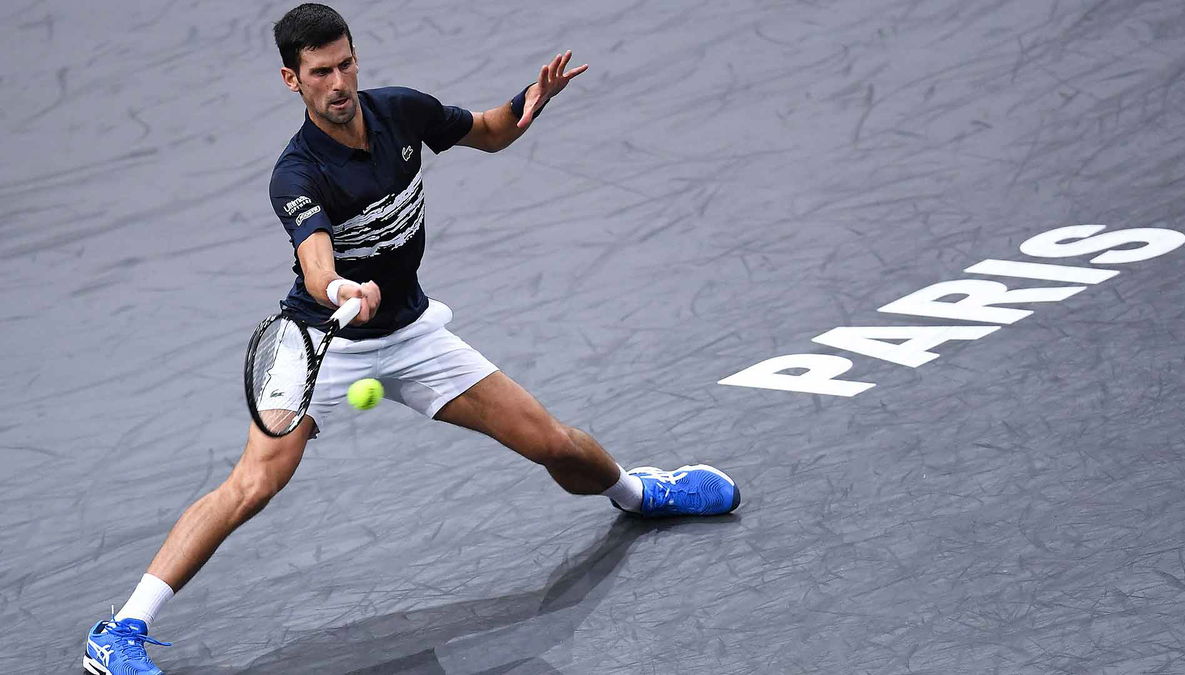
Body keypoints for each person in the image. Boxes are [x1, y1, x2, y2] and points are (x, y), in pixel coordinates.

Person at [83, 4, 739, 673]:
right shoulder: (297, 173)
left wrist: (530, 102)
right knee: (253, 484)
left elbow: (488, 131)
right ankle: (119, 632)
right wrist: (344, 290)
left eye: (344, 63)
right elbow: (315, 266)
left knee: (549, 439)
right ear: (291, 79)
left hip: (411, 333)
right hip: (322, 341)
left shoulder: (403, 111)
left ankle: (640, 492)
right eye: (319, 73)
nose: (336, 83)